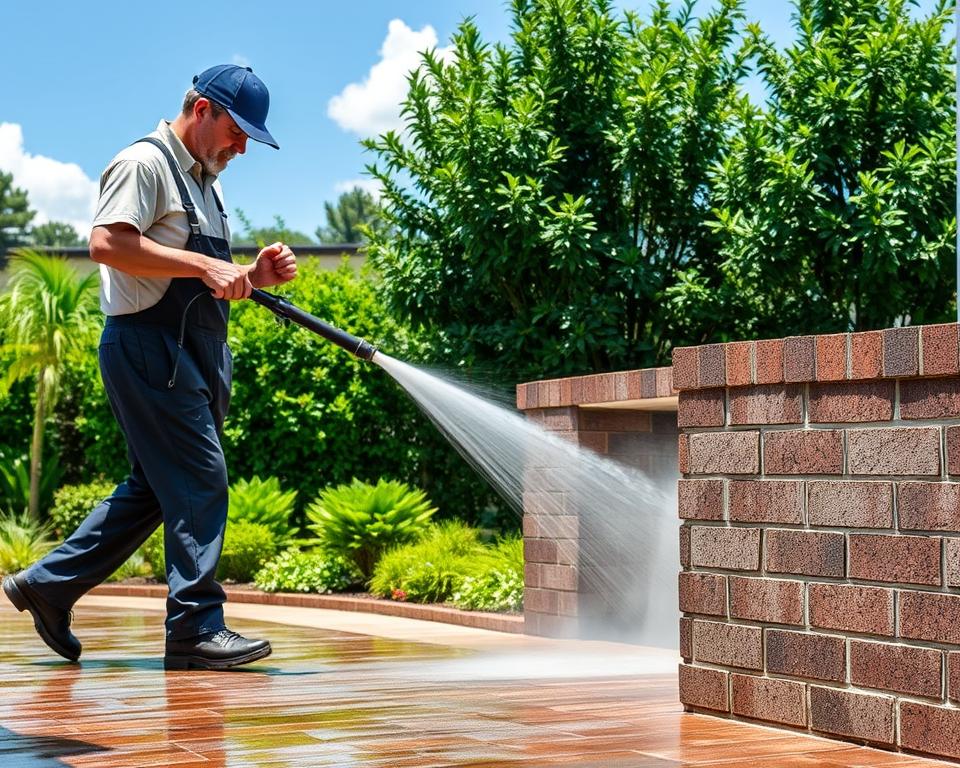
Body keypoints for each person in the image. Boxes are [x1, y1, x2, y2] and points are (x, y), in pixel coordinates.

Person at [2, 65, 297, 670]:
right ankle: (194, 627)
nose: (242, 147)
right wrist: (203, 266)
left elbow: (196, 272)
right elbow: (107, 243)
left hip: (194, 350)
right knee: (198, 477)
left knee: (158, 491)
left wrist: (250, 275)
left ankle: (48, 587)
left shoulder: (204, 183)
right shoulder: (145, 163)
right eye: (238, 131)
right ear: (203, 108)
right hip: (149, 347)